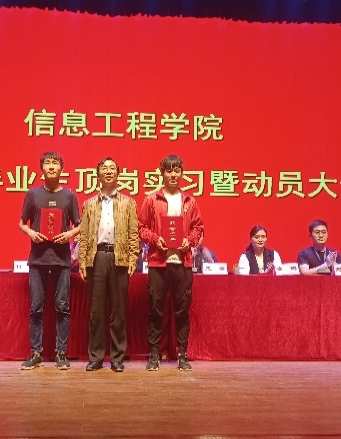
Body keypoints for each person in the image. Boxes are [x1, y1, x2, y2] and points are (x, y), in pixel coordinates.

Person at [138, 154, 204, 371]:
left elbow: (198, 228)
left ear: (182, 173)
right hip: (158, 263)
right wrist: (156, 239)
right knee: (155, 310)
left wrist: (189, 241)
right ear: (162, 173)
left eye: (177, 170)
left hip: (183, 263)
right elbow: (141, 228)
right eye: (169, 170)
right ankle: (154, 354)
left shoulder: (190, 201)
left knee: (182, 311)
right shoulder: (151, 200)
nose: (173, 174)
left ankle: (182, 354)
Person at [18, 151, 81, 370]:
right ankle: (36, 353)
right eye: (47, 163)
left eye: (55, 163)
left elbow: (79, 225)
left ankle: (61, 353)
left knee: (62, 307)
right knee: (36, 307)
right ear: (42, 168)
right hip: (38, 259)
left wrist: (70, 234)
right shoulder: (32, 194)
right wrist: (31, 233)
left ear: (62, 168)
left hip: (62, 260)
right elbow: (21, 223)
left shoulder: (69, 196)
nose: (51, 167)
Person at [78, 157, 139, 373]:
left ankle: (117, 357)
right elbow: (84, 235)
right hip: (96, 258)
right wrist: (82, 261)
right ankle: (96, 356)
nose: (108, 171)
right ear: (98, 175)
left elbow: (133, 233)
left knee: (118, 311)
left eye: (112, 168)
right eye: (104, 168)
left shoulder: (128, 203)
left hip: (119, 257)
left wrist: (133, 258)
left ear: (118, 174)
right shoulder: (89, 204)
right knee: (96, 311)